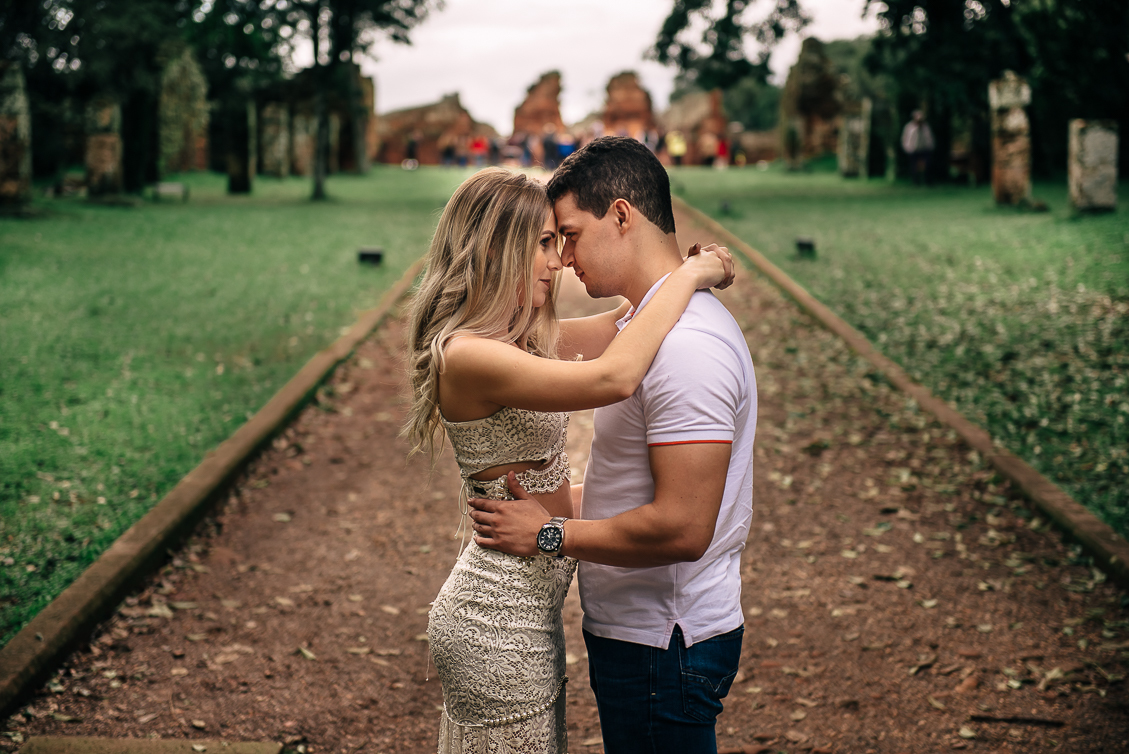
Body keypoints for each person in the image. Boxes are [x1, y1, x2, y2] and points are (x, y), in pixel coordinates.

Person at [405, 166, 734, 754]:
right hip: (496, 621)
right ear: (498, 248)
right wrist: (693, 272)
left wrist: (679, 277)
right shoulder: (470, 355)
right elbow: (616, 373)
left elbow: (621, 326)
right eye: (543, 243)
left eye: (560, 241)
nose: (557, 261)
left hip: (528, 610)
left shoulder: (518, 343)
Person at [901, 109, 935, 185]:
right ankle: (915, 182)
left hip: (925, 149)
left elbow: (929, 138)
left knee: (928, 165)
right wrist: (907, 148)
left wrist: (930, 147)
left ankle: (928, 181)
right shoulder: (909, 127)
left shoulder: (926, 127)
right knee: (914, 167)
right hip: (913, 150)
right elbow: (906, 138)